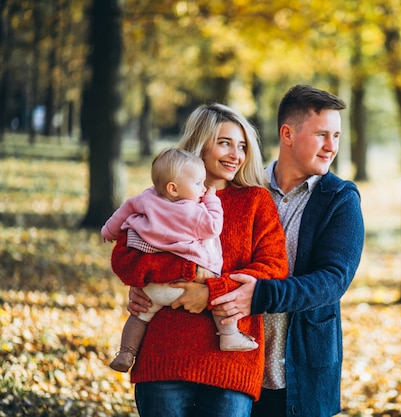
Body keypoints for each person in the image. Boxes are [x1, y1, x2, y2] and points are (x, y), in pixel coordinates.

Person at [110, 103, 289, 417]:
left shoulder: (256, 201)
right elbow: (125, 258)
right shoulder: (159, 198)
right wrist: (182, 272)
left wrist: (211, 291)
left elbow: (274, 268)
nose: (236, 154)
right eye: (224, 143)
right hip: (165, 357)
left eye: (243, 146)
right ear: (199, 143)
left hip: (231, 363)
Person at [210, 84, 365, 417]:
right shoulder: (243, 188)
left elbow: (333, 280)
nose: (331, 147)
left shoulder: (340, 200)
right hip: (230, 364)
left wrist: (263, 295)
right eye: (322, 134)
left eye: (336, 136)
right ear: (287, 134)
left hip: (300, 368)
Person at [102, 147, 259, 373]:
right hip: (192, 278)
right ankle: (229, 336)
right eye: (198, 184)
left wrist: (109, 230)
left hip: (154, 288)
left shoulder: (146, 198)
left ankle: (126, 352)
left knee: (140, 315)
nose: (203, 188)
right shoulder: (191, 210)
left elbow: (124, 209)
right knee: (221, 298)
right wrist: (212, 201)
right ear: (173, 188)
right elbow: (213, 227)